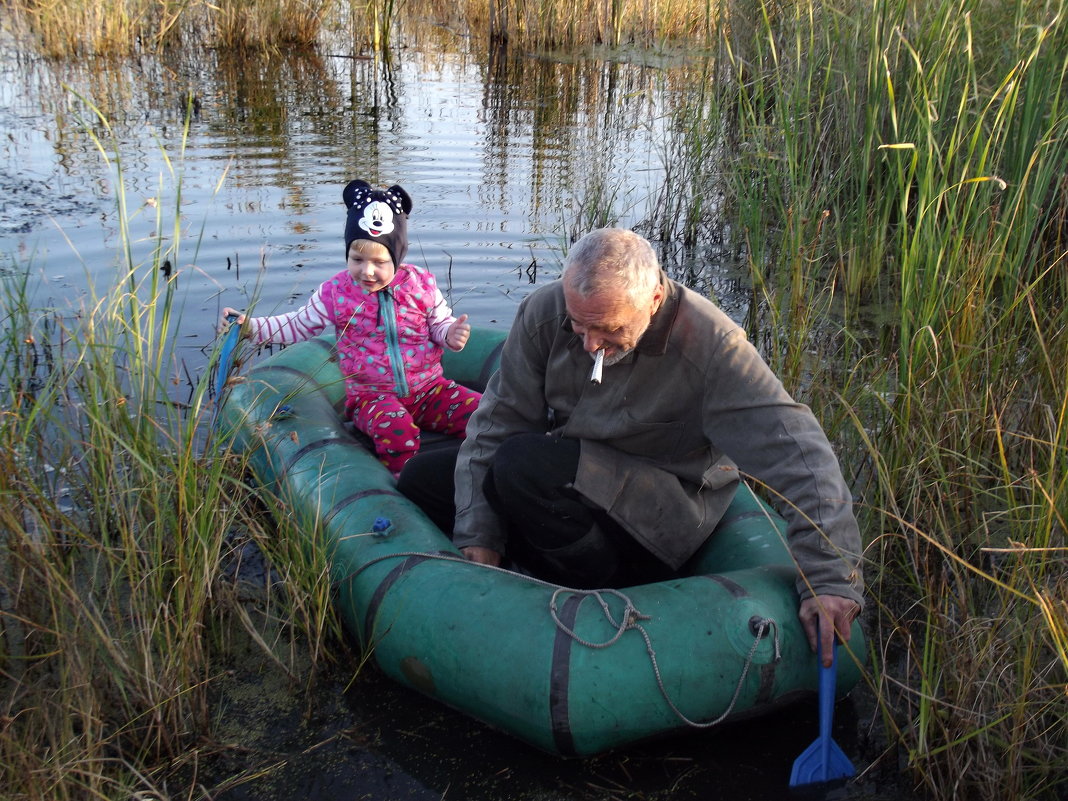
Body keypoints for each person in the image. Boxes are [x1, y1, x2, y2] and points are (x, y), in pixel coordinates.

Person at [399, 227, 863, 666]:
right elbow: (497, 422)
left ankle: (590, 585)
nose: (591, 345)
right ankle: (527, 551)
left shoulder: (713, 346)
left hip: (664, 504)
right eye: (579, 327)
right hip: (574, 472)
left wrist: (827, 578)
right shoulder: (543, 314)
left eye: (608, 329)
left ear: (654, 299)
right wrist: (478, 533)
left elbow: (797, 453)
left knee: (523, 464)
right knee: (423, 479)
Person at [222, 179, 480, 477]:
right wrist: (251, 327)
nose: (366, 271)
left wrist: (450, 334)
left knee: (484, 413)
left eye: (379, 261)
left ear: (397, 257)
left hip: (429, 391)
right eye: (357, 259)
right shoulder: (337, 292)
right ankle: (405, 485)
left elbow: (438, 323)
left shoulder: (420, 284)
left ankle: (473, 468)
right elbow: (298, 325)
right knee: (398, 433)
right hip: (372, 398)